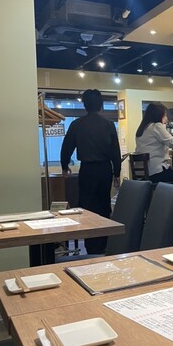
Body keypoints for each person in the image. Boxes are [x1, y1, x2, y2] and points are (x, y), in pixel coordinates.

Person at [61, 89, 121, 254]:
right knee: (104, 206)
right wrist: (116, 172)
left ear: (85, 105)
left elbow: (66, 147)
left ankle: (90, 246)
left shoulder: (77, 124)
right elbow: (115, 151)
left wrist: (65, 165)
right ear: (101, 105)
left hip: (87, 169)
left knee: (87, 207)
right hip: (105, 169)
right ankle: (103, 244)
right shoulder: (108, 125)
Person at [135, 102, 173, 217]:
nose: (166, 118)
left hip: (145, 174)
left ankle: (170, 217)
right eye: (165, 115)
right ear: (158, 115)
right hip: (157, 172)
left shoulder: (143, 129)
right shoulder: (156, 126)